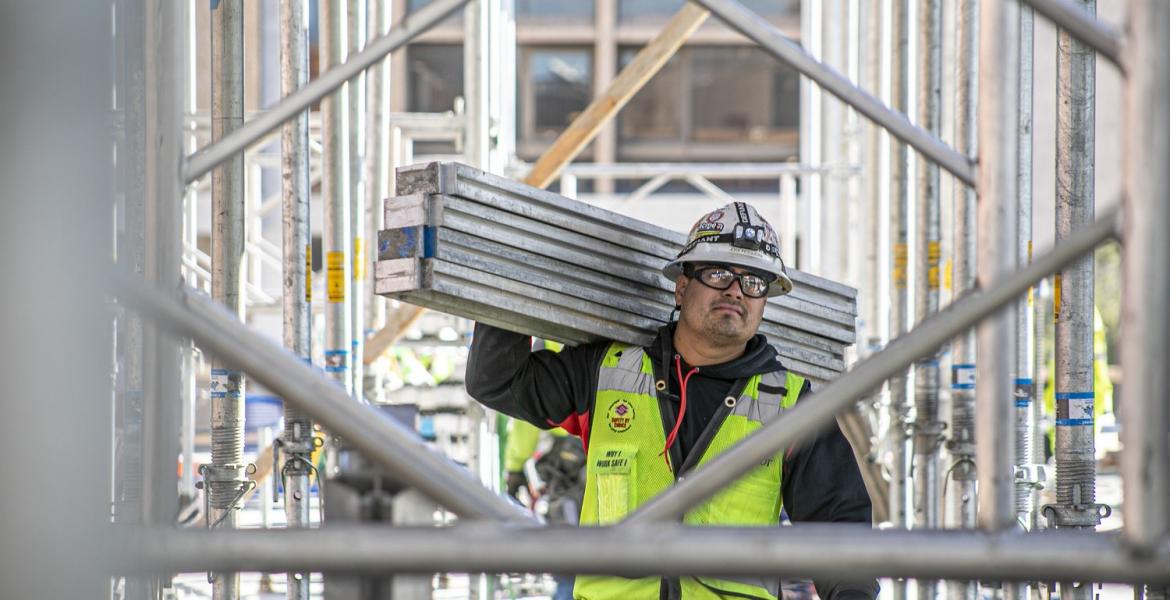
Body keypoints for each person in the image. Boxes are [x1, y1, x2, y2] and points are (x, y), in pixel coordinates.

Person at [467, 202, 877, 600]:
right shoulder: (605, 371)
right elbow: (498, 382)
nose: (736, 291)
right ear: (682, 287)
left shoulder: (790, 405)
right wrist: (512, 269)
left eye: (754, 282)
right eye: (719, 274)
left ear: (763, 304)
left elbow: (840, 524)